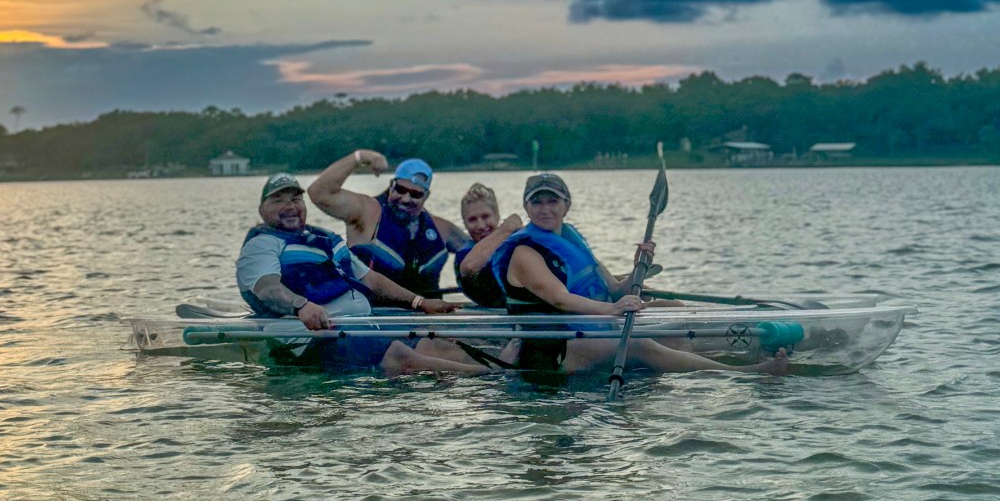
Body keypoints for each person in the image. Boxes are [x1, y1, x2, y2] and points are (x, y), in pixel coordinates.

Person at [490, 173, 790, 377]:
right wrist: (614, 309)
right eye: (537, 202)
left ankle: (730, 351)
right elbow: (562, 300)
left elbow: (616, 290)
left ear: (566, 205)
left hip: (588, 328)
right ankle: (743, 374)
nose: (545, 209)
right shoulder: (524, 253)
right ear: (526, 207)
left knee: (673, 311)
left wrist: (637, 267)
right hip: (550, 347)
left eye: (552, 201)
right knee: (637, 344)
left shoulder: (571, 242)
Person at [237, 173, 492, 376]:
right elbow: (267, 288)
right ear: (262, 209)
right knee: (400, 355)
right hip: (316, 339)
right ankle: (499, 379)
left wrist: (420, 303)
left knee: (434, 341)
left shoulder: (325, 239)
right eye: (278, 200)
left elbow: (371, 279)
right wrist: (300, 305)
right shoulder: (262, 244)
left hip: (362, 328)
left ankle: (502, 367)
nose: (289, 206)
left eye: (295, 199)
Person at [307, 151, 468, 298]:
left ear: (426, 196)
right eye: (400, 189)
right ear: (391, 186)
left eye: (415, 194)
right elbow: (318, 193)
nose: (405, 199)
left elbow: (478, 251)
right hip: (373, 320)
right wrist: (360, 157)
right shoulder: (366, 212)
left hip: (426, 322)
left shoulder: (442, 229)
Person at [453, 183, 522, 308]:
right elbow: (469, 267)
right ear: (464, 223)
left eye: (485, 216)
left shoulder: (516, 243)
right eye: (472, 220)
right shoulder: (464, 255)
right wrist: (507, 228)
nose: (481, 225)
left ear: (497, 216)